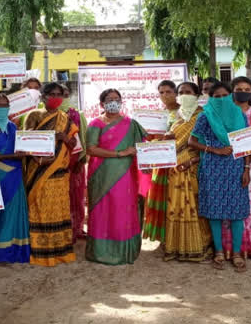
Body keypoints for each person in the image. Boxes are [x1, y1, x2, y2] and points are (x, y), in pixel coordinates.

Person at [189, 81, 250, 271]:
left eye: (225, 96)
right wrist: (214, 150)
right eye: (217, 97)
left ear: (230, 96)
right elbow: (192, 141)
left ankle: (237, 253)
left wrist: (247, 168)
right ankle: (219, 252)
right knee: (214, 212)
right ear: (210, 98)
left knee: (237, 212)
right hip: (212, 168)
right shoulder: (205, 116)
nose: (221, 99)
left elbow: (246, 142)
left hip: (236, 167)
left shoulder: (239, 115)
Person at [85, 89, 147, 265]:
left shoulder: (131, 123)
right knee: (103, 209)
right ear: (102, 104)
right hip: (102, 174)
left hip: (126, 174)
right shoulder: (95, 124)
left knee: (123, 209)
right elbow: (91, 149)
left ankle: (125, 251)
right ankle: (101, 251)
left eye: (117, 99)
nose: (114, 102)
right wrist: (120, 153)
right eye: (109, 99)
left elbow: (143, 145)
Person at [24, 82, 80, 266]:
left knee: (58, 211)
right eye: (51, 93)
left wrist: (64, 138)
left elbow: (74, 146)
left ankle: (60, 250)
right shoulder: (33, 115)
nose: (55, 97)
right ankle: (41, 251)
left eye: (59, 94)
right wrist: (49, 135)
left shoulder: (66, 119)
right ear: (43, 96)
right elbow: (26, 140)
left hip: (59, 174)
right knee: (39, 209)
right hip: (39, 169)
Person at [162, 82, 212, 262]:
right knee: (176, 207)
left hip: (195, 167)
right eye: (181, 92)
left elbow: (211, 145)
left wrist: (192, 161)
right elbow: (171, 140)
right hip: (175, 169)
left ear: (197, 95)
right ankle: (177, 247)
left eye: (188, 92)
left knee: (196, 207)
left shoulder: (204, 116)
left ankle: (200, 246)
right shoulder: (176, 116)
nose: (184, 95)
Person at [222, 76, 251, 261]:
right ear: (232, 91)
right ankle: (230, 246)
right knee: (229, 203)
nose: (243, 92)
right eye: (239, 88)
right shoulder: (224, 112)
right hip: (227, 162)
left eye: (247, 89)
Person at [0, 93, 31, 263]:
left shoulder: (13, 127)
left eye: (6, 105)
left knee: (14, 212)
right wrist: (13, 156)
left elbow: (22, 146)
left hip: (16, 174)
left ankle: (13, 251)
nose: (3, 109)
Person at [143, 80, 180, 243]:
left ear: (176, 93)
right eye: (161, 92)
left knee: (176, 198)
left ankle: (176, 236)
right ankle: (162, 236)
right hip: (159, 163)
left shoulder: (184, 113)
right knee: (160, 197)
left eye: (168, 92)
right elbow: (149, 138)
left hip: (179, 162)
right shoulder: (156, 114)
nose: (165, 95)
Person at [60, 85, 89, 242]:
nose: (61, 98)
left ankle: (76, 228)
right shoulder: (44, 114)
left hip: (75, 162)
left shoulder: (78, 115)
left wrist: (82, 160)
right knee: (59, 196)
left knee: (76, 196)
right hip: (53, 164)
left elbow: (84, 138)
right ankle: (62, 230)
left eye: (64, 94)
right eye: (57, 95)